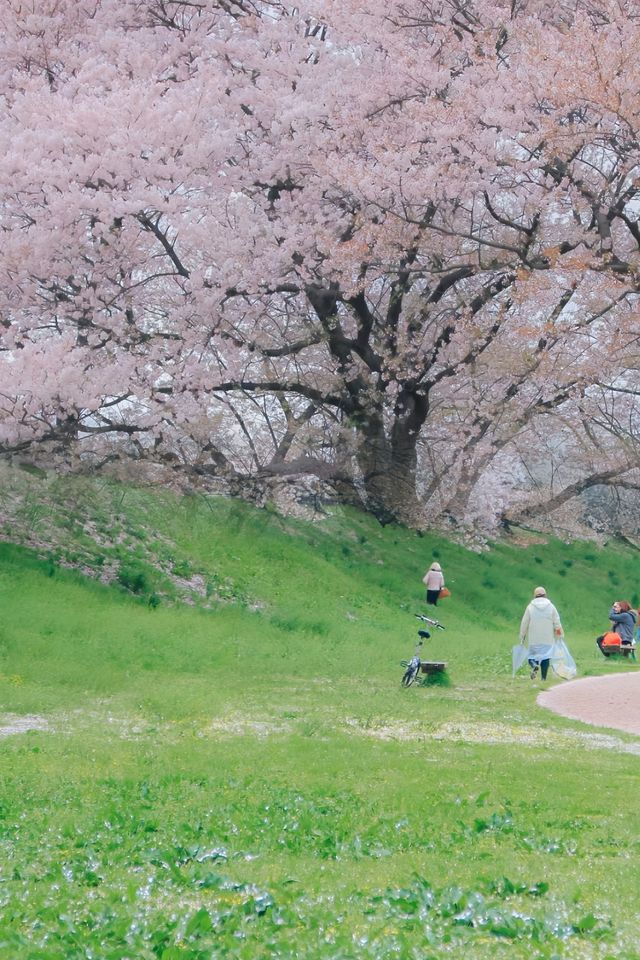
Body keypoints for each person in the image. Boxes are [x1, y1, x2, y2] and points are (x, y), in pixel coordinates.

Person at [519, 586, 563, 681]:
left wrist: (522, 636)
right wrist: (560, 635)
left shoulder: (530, 607)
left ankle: (534, 665)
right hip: (547, 639)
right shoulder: (551, 606)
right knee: (546, 657)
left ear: (535, 596)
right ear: (545, 595)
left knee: (531, 656)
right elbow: (557, 622)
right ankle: (543, 679)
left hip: (534, 639)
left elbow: (524, 623)